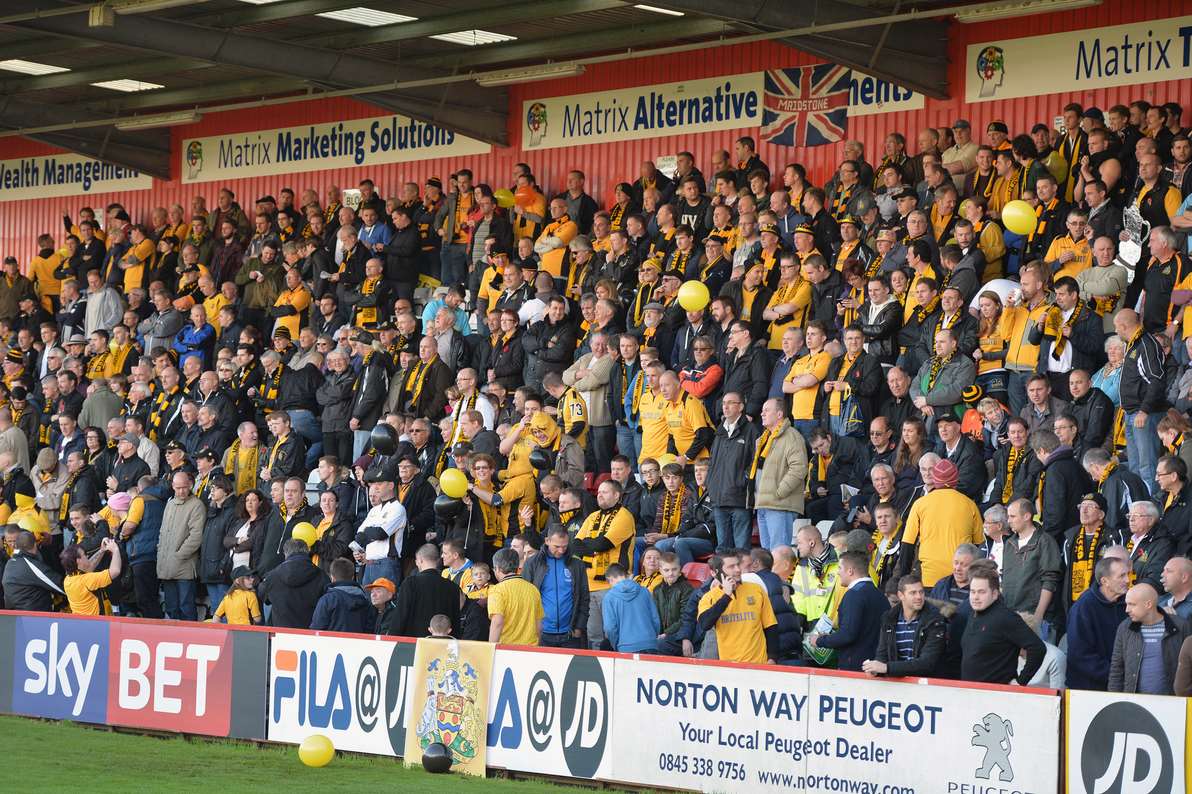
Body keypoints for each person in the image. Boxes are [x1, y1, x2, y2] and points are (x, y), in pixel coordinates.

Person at [900, 459, 983, 586]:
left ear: (935, 480)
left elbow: (907, 545)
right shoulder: (970, 505)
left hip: (930, 578)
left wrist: (904, 577)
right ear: (956, 479)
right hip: (960, 578)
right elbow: (979, 545)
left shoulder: (920, 504)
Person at [961, 560, 1046, 684]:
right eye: (972, 592)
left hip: (997, 697)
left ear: (995, 594)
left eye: (981, 592)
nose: (975, 597)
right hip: (970, 694)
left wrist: (1020, 682)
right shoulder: (973, 615)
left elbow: (1038, 648)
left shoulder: (1006, 617)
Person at [810, 551, 888, 671]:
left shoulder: (854, 595)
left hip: (855, 667)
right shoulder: (880, 595)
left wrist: (820, 641)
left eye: (840, 568)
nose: (837, 572)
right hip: (876, 665)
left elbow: (847, 635)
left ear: (850, 571)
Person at [1109, 583, 1191, 695]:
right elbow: (1116, 668)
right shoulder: (1125, 628)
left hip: (1172, 704)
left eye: (1132, 604)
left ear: (1148, 604)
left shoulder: (1180, 626)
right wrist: (1114, 700)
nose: (1127, 610)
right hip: (1133, 703)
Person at [697, 551, 778, 664]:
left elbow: (770, 626)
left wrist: (772, 658)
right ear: (714, 573)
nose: (738, 570)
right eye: (731, 567)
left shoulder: (756, 589)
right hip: (729, 667)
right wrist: (726, 596)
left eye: (738, 565)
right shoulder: (709, 597)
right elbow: (705, 624)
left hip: (760, 664)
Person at [999, 498, 1062, 638]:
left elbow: (1050, 580)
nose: (1008, 520)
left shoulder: (1045, 541)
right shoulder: (1009, 543)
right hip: (1010, 616)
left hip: (1035, 618)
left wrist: (1038, 617)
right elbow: (1004, 578)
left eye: (1012, 516)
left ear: (1027, 516)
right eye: (1008, 516)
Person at [863, 575, 947, 678]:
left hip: (927, 686)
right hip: (898, 686)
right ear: (901, 595)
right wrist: (875, 670)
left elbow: (927, 663)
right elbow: (882, 654)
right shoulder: (889, 618)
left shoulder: (935, 620)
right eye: (913, 593)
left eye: (921, 592)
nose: (919, 597)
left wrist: (887, 668)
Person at [1065, 556, 1129, 691]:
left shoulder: (1129, 603)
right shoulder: (1083, 607)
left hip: (1119, 684)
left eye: (1127, 574)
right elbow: (1079, 655)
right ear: (1105, 581)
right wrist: (1115, 675)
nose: (1127, 580)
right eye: (1122, 576)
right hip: (1088, 689)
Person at [521, 527, 589, 649]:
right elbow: (524, 598)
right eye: (557, 546)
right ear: (547, 541)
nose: (561, 550)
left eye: (565, 546)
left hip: (570, 634)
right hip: (541, 634)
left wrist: (579, 627)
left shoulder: (577, 564)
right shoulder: (532, 563)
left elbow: (584, 598)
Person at [156, 470, 205, 621]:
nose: (181, 491)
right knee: (171, 607)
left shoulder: (197, 505)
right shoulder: (169, 504)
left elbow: (196, 536)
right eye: (178, 488)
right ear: (172, 486)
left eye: (184, 487)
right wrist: (161, 552)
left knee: (186, 606)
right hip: (166, 566)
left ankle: (192, 639)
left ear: (190, 485)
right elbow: (162, 532)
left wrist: (178, 555)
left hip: (184, 567)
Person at [389, 543, 461, 638]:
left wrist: (391, 638)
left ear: (420, 560)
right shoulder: (453, 587)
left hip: (414, 645)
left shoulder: (411, 583)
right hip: (443, 645)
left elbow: (400, 616)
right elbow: (455, 622)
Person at [259, 538, 329, 629]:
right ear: (307, 551)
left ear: (285, 554)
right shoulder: (322, 576)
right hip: (311, 636)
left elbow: (262, 595)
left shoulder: (272, 576)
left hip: (281, 636)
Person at [488, 547, 544, 646]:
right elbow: (539, 626)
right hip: (530, 649)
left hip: (507, 649)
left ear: (497, 568)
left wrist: (491, 648)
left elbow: (497, 622)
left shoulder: (497, 590)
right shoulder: (533, 589)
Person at [601, 563, 660, 653]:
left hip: (626, 647)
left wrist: (617, 644)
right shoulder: (644, 591)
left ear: (610, 579)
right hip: (650, 644)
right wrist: (652, 638)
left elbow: (610, 628)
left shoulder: (609, 597)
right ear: (626, 575)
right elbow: (655, 620)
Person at [60, 537, 121, 616]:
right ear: (78, 561)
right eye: (84, 555)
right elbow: (115, 571)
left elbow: (89, 567)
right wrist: (115, 549)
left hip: (84, 622)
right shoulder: (87, 580)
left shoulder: (68, 580)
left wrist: (101, 550)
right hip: (99, 623)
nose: (87, 556)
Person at [309, 557, 372, 633]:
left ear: (332, 578)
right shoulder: (365, 599)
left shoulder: (327, 599)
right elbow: (369, 628)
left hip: (332, 643)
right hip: (358, 643)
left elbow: (316, 629)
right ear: (352, 577)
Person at [654, 551, 695, 656]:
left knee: (658, 644)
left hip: (680, 635)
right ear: (660, 571)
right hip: (663, 634)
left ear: (680, 569)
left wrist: (667, 633)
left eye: (674, 569)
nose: (671, 573)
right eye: (666, 570)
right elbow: (655, 616)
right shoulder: (657, 590)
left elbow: (685, 617)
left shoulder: (687, 588)